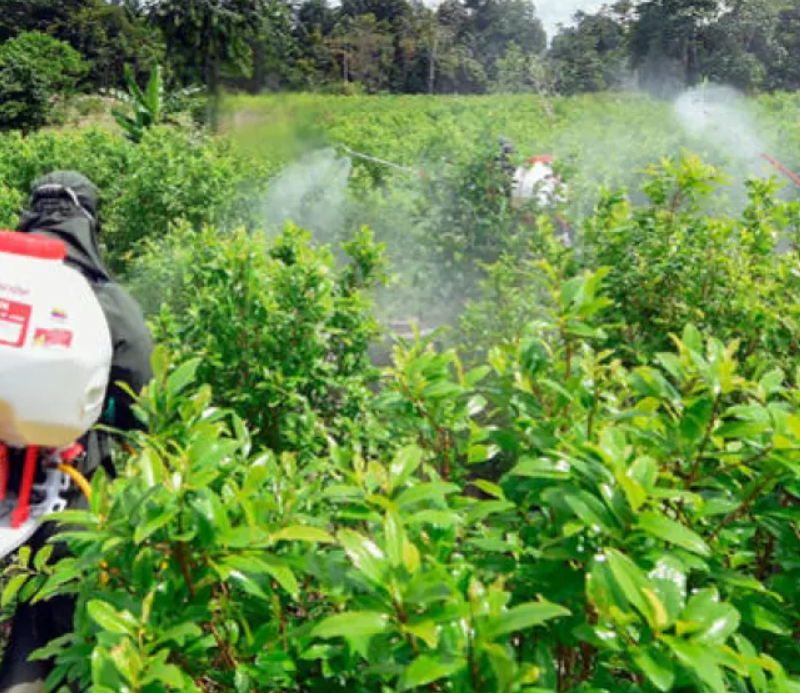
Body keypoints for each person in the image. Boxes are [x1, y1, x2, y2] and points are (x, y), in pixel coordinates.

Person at [0, 171, 154, 693]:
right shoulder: (99, 297)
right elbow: (142, 390)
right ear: (89, 222)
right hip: (63, 490)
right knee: (50, 612)